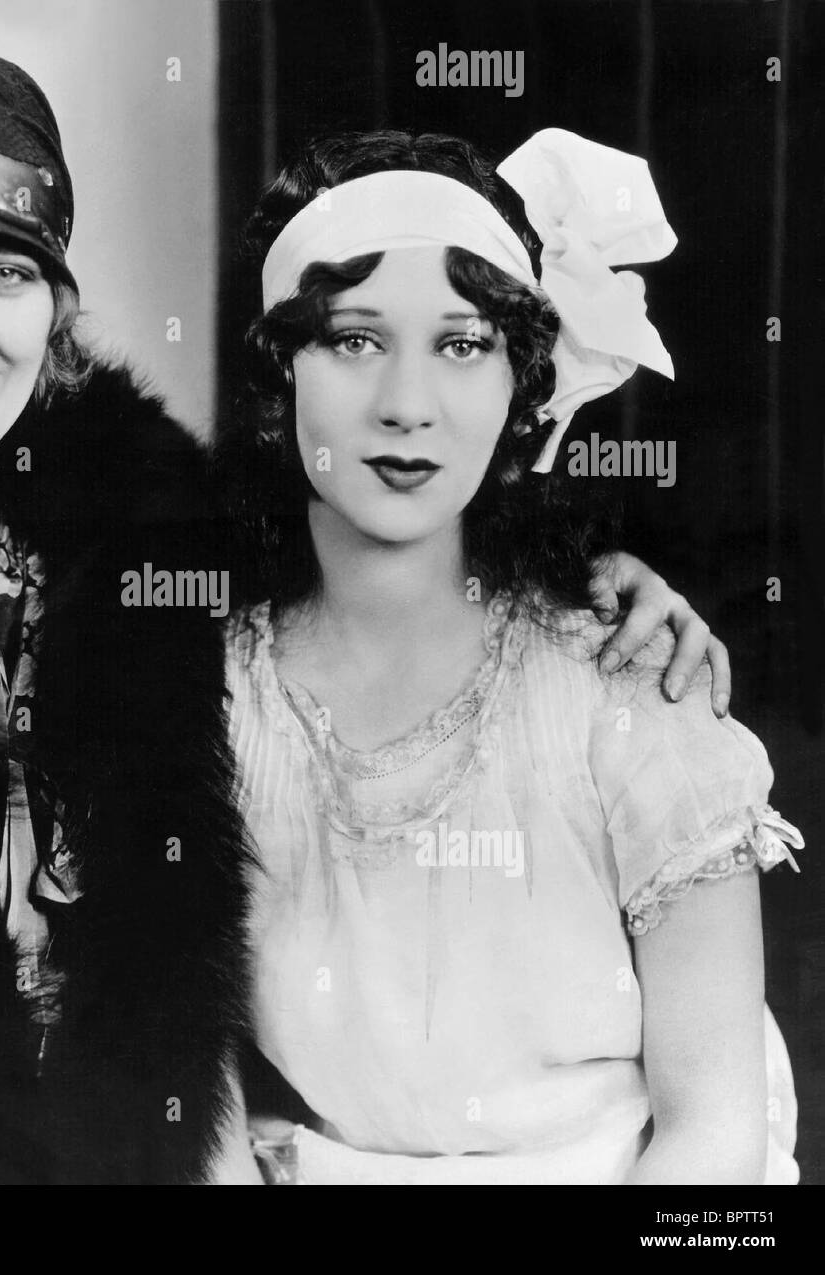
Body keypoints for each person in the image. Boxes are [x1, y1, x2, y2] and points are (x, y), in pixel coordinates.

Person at [0, 40, 727, 1184]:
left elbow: (387, 549)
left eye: (2, 272)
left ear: (52, 309)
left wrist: (592, 583)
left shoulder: (150, 560)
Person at [214, 128, 802, 1184]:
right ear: (277, 376)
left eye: (461, 344)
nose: (407, 403)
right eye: (351, 340)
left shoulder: (624, 679)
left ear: (519, 385)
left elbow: (717, 1132)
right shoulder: (201, 695)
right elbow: (181, 1081)